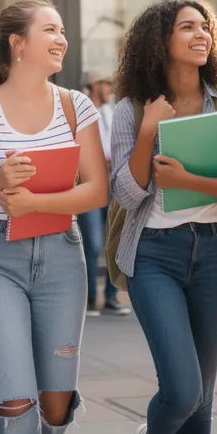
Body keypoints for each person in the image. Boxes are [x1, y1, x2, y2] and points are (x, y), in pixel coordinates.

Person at [0, 0, 108, 434]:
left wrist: (35, 203)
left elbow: (96, 190)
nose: (62, 39)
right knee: (14, 401)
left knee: (56, 404)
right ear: (18, 43)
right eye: (50, 31)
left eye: (62, 31)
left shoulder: (76, 106)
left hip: (62, 256)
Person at [110, 0, 217, 434]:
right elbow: (125, 193)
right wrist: (147, 132)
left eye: (205, 27)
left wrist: (191, 180)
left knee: (204, 398)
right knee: (181, 392)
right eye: (186, 27)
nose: (201, 35)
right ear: (161, 41)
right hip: (153, 254)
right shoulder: (132, 109)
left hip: (216, 253)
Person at [78, 73, 130, 316]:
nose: (110, 88)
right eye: (106, 83)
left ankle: (110, 297)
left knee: (115, 241)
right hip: (89, 184)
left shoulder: (114, 111)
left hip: (114, 184)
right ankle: (89, 299)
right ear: (95, 85)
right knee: (93, 244)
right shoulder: (82, 111)